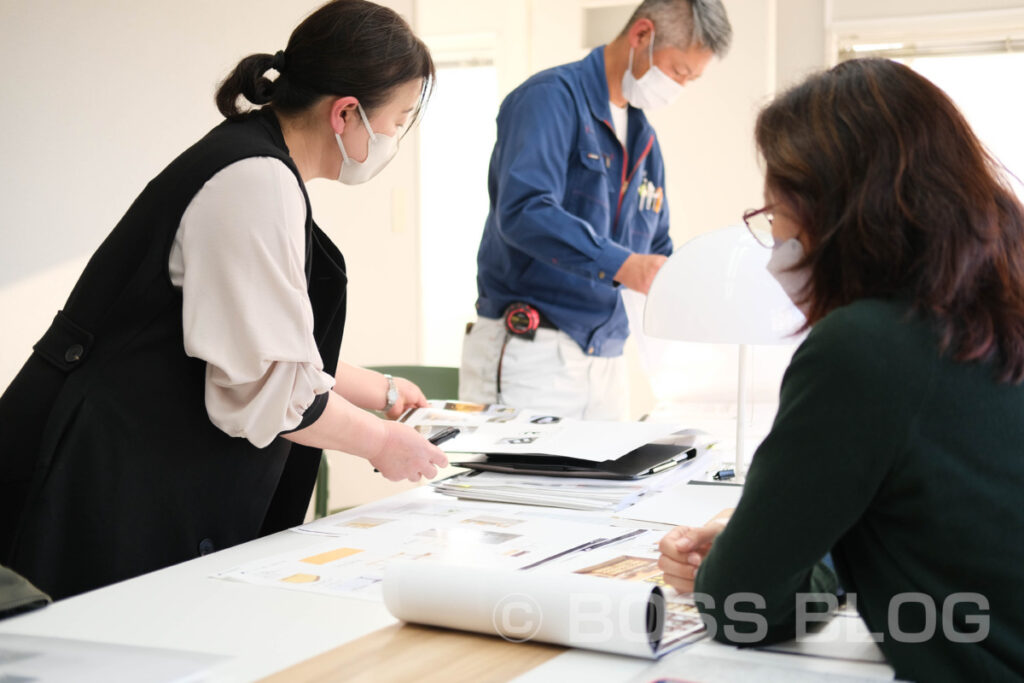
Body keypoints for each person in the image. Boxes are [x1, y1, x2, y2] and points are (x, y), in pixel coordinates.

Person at [0, 0, 448, 601]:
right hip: (99, 471)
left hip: (125, 459)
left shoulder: (257, 165)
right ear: (347, 114)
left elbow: (250, 342)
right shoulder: (254, 182)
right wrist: (381, 443)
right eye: (396, 121)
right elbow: (265, 382)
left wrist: (378, 389)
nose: (394, 138)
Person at [657, 59, 1024, 681]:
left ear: (836, 211)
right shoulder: (996, 311)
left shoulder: (864, 347)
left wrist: (758, 547)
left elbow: (741, 605)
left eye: (774, 215)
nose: (773, 242)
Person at [459, 0, 732, 420]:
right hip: (533, 352)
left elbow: (656, 245)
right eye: (678, 71)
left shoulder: (645, 140)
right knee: (524, 486)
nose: (679, 87)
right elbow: (525, 211)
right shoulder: (549, 100)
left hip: (607, 360)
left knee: (613, 485)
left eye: (690, 79)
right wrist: (624, 265)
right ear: (642, 34)